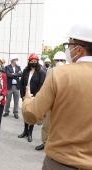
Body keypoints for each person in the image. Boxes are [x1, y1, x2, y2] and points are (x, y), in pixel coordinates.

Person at [22, 23, 92, 170]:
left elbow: (32, 115)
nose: (67, 49)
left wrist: (27, 99)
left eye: (69, 44)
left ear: (78, 49)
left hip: (61, 162)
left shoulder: (59, 74)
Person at [35, 51, 67, 151]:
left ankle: (58, 145)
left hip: (62, 103)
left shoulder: (69, 72)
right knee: (46, 125)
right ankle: (45, 143)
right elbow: (45, 87)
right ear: (54, 61)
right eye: (57, 60)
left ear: (65, 61)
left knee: (60, 126)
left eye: (61, 60)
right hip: (50, 102)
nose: (59, 62)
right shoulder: (49, 72)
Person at [18, 53, 46, 142]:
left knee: (32, 114)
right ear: (29, 62)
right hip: (26, 96)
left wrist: (35, 96)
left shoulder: (41, 72)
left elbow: (41, 85)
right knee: (25, 112)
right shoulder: (25, 71)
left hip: (34, 96)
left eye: (35, 61)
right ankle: (25, 131)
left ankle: (30, 132)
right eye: (31, 61)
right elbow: (22, 83)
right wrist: (23, 95)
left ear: (37, 62)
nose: (33, 62)